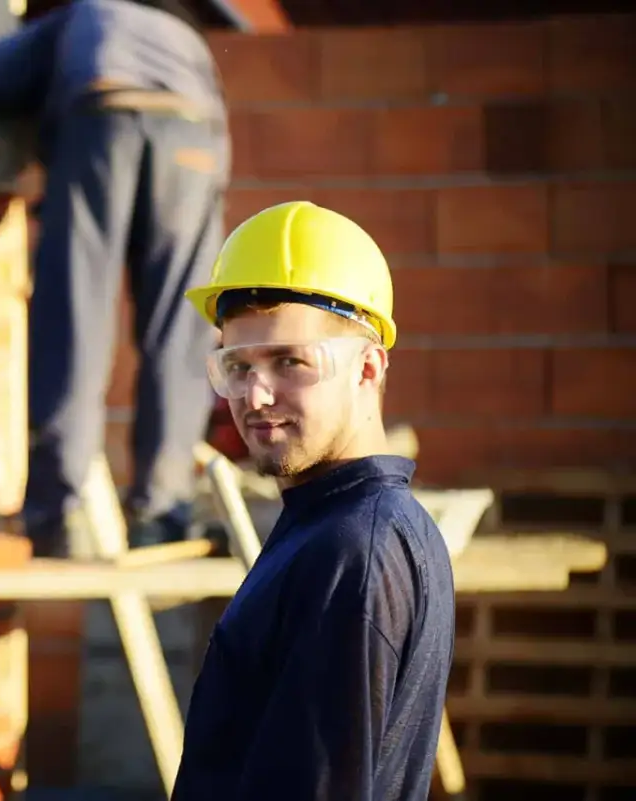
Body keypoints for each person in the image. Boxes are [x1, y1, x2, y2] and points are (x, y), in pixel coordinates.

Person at [172, 201, 456, 801]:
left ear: (367, 369)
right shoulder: (335, 527)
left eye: (290, 362)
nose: (256, 394)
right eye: (237, 366)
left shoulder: (353, 550)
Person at [0, 0, 233, 555]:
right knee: (182, 328)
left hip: (107, 113)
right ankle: (164, 510)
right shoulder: (186, 37)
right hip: (198, 132)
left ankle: (60, 513)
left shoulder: (84, 16)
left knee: (77, 315)